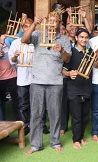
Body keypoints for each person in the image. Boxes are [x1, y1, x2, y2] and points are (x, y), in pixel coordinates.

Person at [22, 12, 71, 154]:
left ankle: (55, 141)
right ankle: (35, 145)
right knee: (36, 114)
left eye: (54, 21)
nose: (51, 23)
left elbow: (67, 59)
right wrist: (34, 24)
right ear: (47, 22)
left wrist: (61, 50)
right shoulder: (38, 34)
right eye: (50, 20)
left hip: (55, 81)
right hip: (37, 81)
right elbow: (24, 40)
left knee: (55, 114)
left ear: (59, 23)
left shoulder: (64, 39)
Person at [62, 28, 98, 149]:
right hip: (73, 88)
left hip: (86, 87)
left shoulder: (90, 52)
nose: (84, 39)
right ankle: (76, 140)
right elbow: (62, 69)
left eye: (86, 37)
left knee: (85, 116)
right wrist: (69, 74)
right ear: (76, 38)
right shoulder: (71, 52)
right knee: (76, 116)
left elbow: (97, 65)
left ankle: (81, 137)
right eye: (81, 37)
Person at [8, 18, 34, 134]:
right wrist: (14, 56)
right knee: (23, 104)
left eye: (30, 26)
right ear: (22, 28)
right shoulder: (15, 43)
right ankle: (25, 127)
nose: (28, 28)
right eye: (25, 26)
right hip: (22, 79)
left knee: (37, 103)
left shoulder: (36, 41)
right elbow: (12, 61)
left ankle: (40, 125)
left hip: (35, 78)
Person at [0, 34, 18, 121]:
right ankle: (3, 123)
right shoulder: (2, 40)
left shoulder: (7, 39)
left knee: (16, 98)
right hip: (0, 78)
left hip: (12, 75)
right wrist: (1, 43)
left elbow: (19, 37)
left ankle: (18, 121)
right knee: (1, 101)